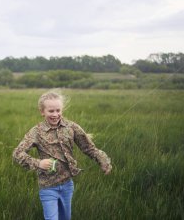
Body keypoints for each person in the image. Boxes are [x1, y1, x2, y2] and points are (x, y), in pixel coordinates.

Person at [12, 90, 112, 220]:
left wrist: (103, 161)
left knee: (65, 217)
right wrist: (38, 163)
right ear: (42, 112)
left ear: (62, 110)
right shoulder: (36, 132)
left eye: (58, 110)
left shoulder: (71, 127)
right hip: (48, 187)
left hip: (67, 185)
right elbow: (17, 153)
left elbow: (89, 148)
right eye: (51, 111)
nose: (55, 114)